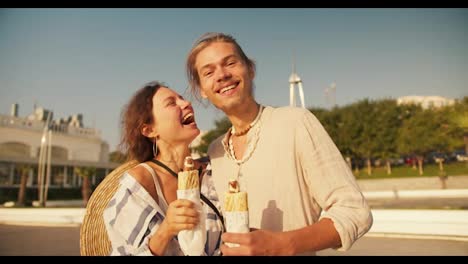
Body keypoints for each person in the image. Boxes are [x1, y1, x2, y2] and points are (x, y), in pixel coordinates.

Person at [185, 32, 373, 256]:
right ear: (201, 91)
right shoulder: (216, 151)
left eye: (231, 63)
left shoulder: (296, 123)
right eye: (209, 72)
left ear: (250, 69)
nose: (222, 75)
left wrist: (285, 244)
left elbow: (354, 211)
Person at [103, 81, 224, 256]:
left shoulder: (214, 171)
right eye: (171, 103)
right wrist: (166, 229)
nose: (186, 103)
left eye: (182, 99)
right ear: (149, 130)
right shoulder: (140, 184)